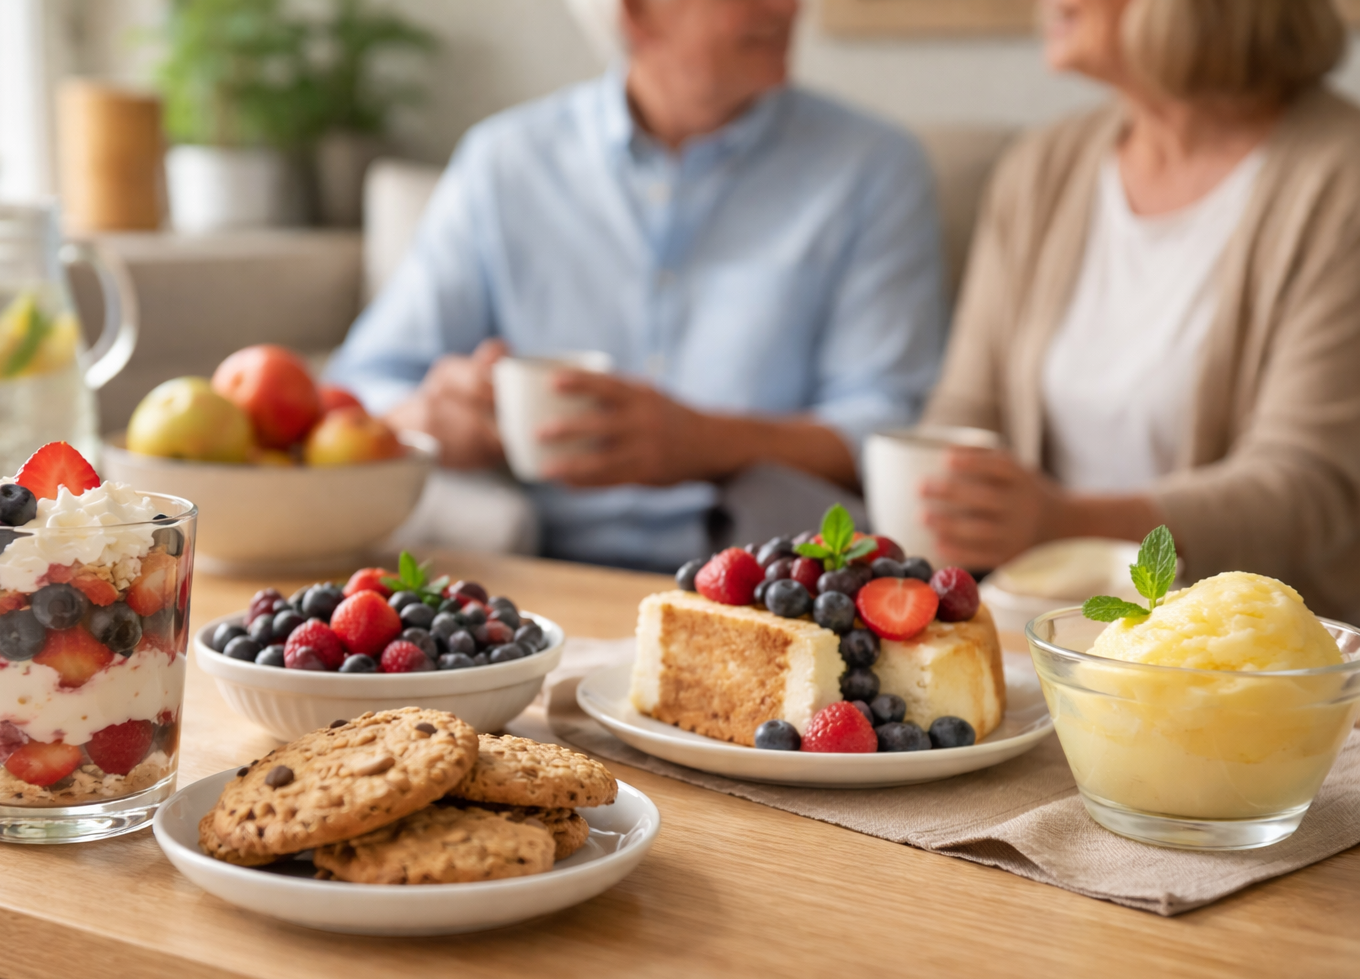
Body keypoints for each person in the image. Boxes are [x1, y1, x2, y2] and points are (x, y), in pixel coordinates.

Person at [328, 0, 946, 572]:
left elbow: (892, 423)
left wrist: (702, 440)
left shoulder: (873, 168)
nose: (787, 6)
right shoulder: (504, 164)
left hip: (762, 576)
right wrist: (428, 419)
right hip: (534, 574)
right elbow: (360, 385)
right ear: (636, 15)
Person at [918, 0, 1360, 620]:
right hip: (1049, 635)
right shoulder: (1043, 167)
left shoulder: (1341, 181)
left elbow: (1308, 485)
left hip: (1260, 656)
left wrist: (1064, 522)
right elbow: (965, 411)